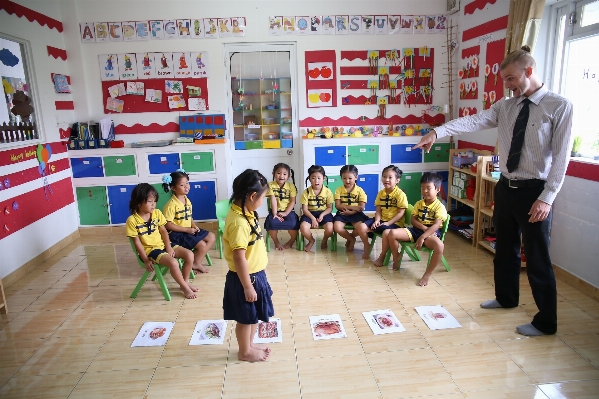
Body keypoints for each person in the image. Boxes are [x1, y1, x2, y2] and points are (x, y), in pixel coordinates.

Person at [413, 46, 573, 336]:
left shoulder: (559, 106)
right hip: (505, 187)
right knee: (505, 248)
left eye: (511, 79)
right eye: (505, 81)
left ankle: (546, 322)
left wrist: (547, 198)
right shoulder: (506, 106)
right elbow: (473, 120)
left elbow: (562, 159)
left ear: (529, 71)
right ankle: (506, 298)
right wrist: (438, 132)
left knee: (537, 258)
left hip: (534, 191)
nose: (508, 86)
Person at [223, 169, 274, 362]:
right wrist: (247, 286)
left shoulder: (246, 212)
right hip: (245, 278)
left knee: (253, 316)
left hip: (255, 275)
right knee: (245, 318)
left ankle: (249, 345)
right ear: (252, 196)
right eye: (263, 197)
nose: (263, 201)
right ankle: (244, 351)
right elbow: (239, 258)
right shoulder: (238, 223)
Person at [126, 183, 197, 299]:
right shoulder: (132, 220)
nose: (153, 204)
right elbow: (137, 242)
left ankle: (184, 282)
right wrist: (145, 260)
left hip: (164, 245)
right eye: (150, 201)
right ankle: (185, 287)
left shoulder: (157, 213)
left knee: (189, 254)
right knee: (174, 263)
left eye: (154, 201)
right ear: (138, 203)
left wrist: (168, 247)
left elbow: (164, 231)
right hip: (151, 251)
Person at [386, 172, 447, 286]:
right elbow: (413, 220)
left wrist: (423, 236)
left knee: (439, 246)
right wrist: (423, 228)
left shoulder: (440, 206)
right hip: (416, 230)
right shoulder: (419, 203)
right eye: (423, 188)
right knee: (392, 233)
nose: (425, 191)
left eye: (428, 188)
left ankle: (427, 274)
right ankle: (396, 257)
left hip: (430, 234)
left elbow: (436, 225)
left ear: (437, 189)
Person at [162, 169, 216, 274]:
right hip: (177, 234)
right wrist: (186, 230)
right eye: (182, 185)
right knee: (201, 245)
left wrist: (194, 225)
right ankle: (194, 263)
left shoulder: (187, 200)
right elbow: (168, 225)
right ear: (173, 188)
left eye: (187, 183)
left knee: (211, 237)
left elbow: (189, 216)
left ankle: (196, 263)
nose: (187, 186)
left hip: (188, 230)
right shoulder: (171, 205)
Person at [369, 165, 409, 266]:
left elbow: (401, 213)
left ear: (397, 180)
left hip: (395, 223)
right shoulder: (381, 193)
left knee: (386, 232)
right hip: (382, 220)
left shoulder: (400, 194)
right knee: (363, 226)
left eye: (390, 177)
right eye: (384, 176)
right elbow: (378, 210)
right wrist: (377, 221)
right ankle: (366, 248)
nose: (386, 179)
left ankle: (382, 256)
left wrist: (388, 223)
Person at [333, 165, 370, 257]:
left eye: (350, 178)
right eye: (344, 178)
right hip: (342, 213)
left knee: (360, 227)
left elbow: (361, 207)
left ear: (356, 177)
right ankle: (351, 239)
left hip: (356, 214)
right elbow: (338, 206)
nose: (347, 181)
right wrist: (353, 207)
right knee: (337, 227)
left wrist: (352, 212)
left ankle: (352, 238)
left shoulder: (360, 191)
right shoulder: (338, 190)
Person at [264, 163, 299, 250]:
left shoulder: (291, 186)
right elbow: (273, 200)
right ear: (273, 174)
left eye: (284, 174)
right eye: (278, 173)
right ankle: (276, 242)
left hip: (289, 211)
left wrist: (286, 213)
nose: (281, 176)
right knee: (271, 223)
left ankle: (291, 241)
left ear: (288, 176)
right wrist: (275, 214)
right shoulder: (270, 185)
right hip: (275, 211)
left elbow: (293, 201)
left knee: (293, 224)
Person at [299, 165, 334, 251]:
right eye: (313, 178)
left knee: (330, 228)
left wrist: (322, 215)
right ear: (309, 179)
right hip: (309, 213)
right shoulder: (306, 192)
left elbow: (329, 208)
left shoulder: (328, 191)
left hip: (324, 213)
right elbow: (305, 209)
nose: (316, 180)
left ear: (324, 178)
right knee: (303, 227)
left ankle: (325, 240)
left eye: (319, 178)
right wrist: (313, 219)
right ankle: (311, 240)